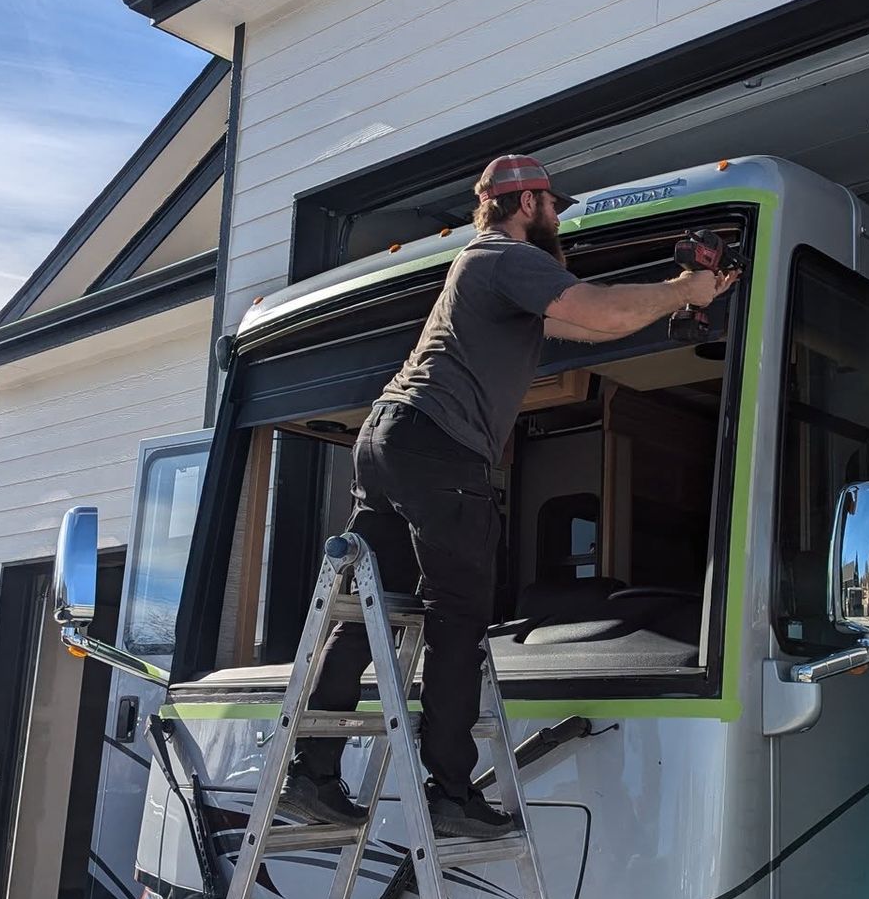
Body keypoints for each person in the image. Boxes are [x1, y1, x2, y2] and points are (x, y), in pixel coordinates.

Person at [281, 154, 738, 839]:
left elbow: (599, 325)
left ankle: (308, 774)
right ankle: (452, 792)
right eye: (553, 203)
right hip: (440, 446)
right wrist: (683, 286)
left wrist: (685, 298)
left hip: (392, 441)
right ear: (525, 204)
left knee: (371, 607)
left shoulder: (493, 274)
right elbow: (595, 307)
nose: (559, 216)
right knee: (458, 618)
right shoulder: (505, 255)